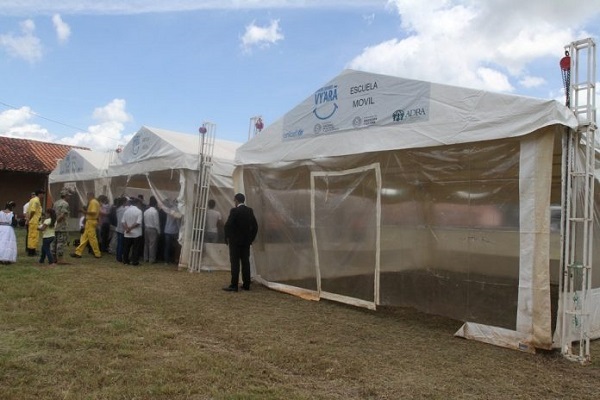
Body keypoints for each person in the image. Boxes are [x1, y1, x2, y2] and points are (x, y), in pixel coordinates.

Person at [223, 193, 258, 292]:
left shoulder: (234, 211)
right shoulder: (249, 211)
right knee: (246, 263)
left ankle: (234, 285)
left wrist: (227, 237)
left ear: (237, 201)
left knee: (235, 263)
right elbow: (255, 227)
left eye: (234, 200)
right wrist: (251, 239)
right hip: (246, 242)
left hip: (235, 242)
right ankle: (246, 285)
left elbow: (228, 225)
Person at [71, 192, 102, 259]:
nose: (87, 197)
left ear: (91, 195)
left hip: (91, 221)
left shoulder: (93, 202)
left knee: (92, 238)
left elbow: (94, 212)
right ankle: (78, 252)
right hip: (90, 221)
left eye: (88, 196)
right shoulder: (95, 202)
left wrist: (84, 211)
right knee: (84, 238)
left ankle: (97, 253)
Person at [122, 197, 143, 266]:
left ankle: (125, 261)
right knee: (135, 248)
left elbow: (123, 221)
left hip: (127, 233)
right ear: (138, 203)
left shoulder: (126, 210)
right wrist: (130, 228)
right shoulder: (139, 211)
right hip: (136, 233)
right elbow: (138, 222)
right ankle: (134, 261)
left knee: (126, 248)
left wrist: (127, 228)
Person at [53, 187, 71, 265]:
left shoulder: (56, 203)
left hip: (55, 225)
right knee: (60, 242)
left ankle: (53, 258)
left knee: (54, 242)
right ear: (66, 195)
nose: (69, 197)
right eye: (68, 196)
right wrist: (58, 221)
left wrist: (54, 222)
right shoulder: (65, 204)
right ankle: (60, 259)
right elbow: (63, 214)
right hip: (61, 226)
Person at [163, 199, 182, 265]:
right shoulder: (177, 210)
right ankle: (175, 259)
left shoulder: (169, 209)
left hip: (167, 230)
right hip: (174, 231)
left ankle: (166, 261)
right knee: (176, 246)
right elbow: (177, 222)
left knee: (167, 246)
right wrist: (180, 230)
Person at [27, 189, 44, 256]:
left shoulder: (32, 199)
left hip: (33, 221)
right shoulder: (36, 200)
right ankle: (32, 251)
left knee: (31, 236)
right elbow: (33, 211)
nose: (43, 196)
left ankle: (31, 250)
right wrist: (29, 219)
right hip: (34, 220)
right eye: (42, 194)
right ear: (39, 194)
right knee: (34, 236)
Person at [143, 196, 161, 263]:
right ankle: (152, 259)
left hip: (146, 228)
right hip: (153, 229)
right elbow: (156, 223)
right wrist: (159, 231)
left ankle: (145, 258)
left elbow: (144, 220)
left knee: (146, 244)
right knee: (152, 245)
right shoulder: (155, 212)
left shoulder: (146, 211)